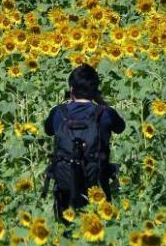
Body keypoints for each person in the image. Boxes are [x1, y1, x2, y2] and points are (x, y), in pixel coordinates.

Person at [42, 64, 126, 224]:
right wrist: (101, 102)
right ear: (95, 89)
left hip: (65, 185)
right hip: (98, 185)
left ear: (71, 88)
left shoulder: (58, 112)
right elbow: (120, 127)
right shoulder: (105, 113)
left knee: (67, 234)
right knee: (98, 235)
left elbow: (48, 130)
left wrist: (66, 103)